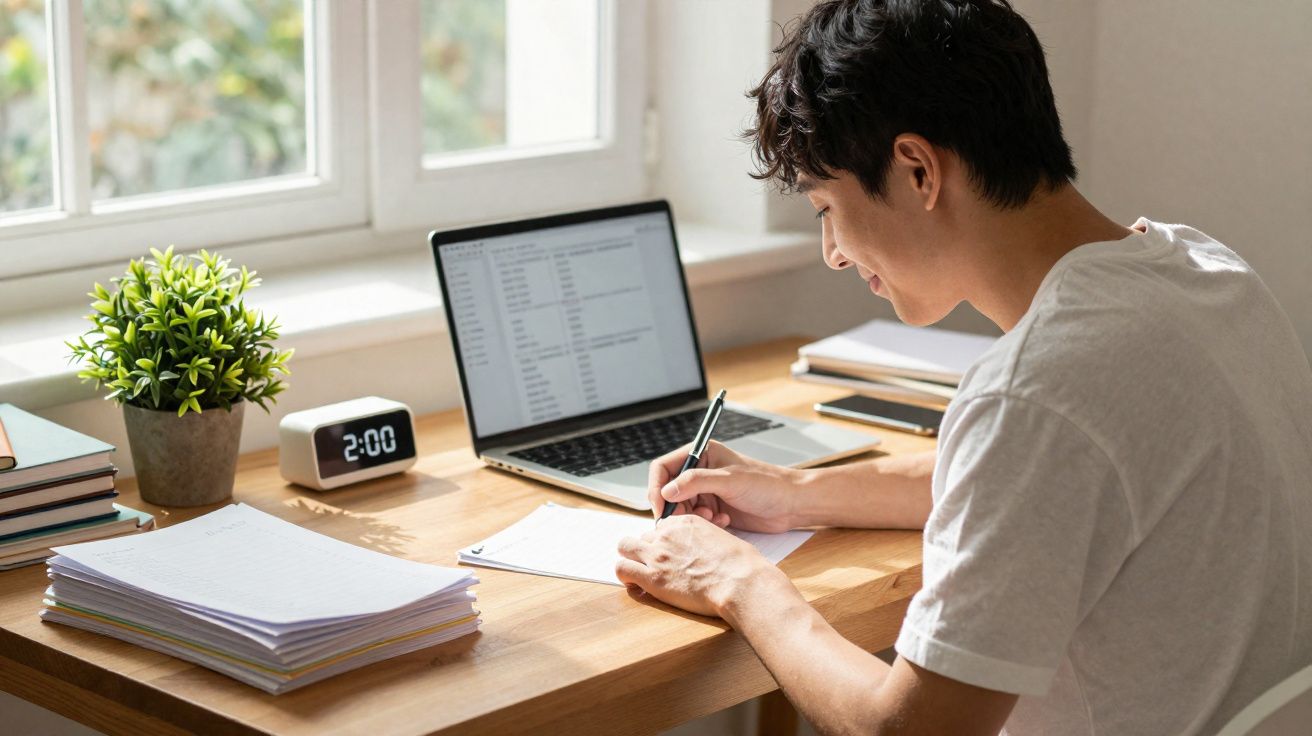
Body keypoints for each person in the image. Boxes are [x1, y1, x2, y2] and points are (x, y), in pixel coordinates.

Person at [613, 0, 1312, 733]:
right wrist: (793, 494)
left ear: (917, 170)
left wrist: (737, 581)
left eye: (827, 207)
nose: (834, 251)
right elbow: (1046, 485)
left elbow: (907, 730)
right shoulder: (1205, 271)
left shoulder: (1035, 393)